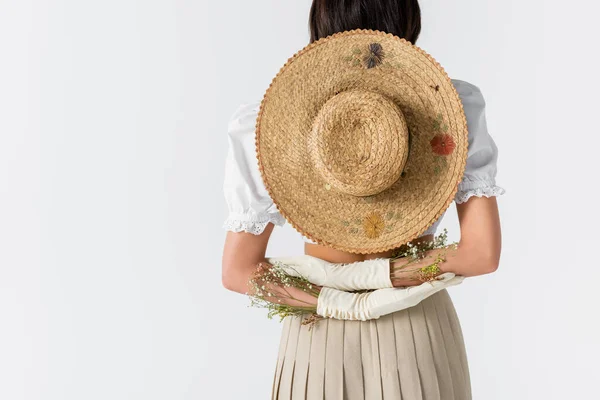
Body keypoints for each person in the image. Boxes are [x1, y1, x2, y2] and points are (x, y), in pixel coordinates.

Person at [221, 1, 505, 398]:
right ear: (406, 18)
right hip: (416, 320)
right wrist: (386, 280)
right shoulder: (449, 106)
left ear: (321, 18)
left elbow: (239, 270)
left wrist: (338, 297)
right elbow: (480, 253)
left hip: (316, 325)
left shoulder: (268, 122)